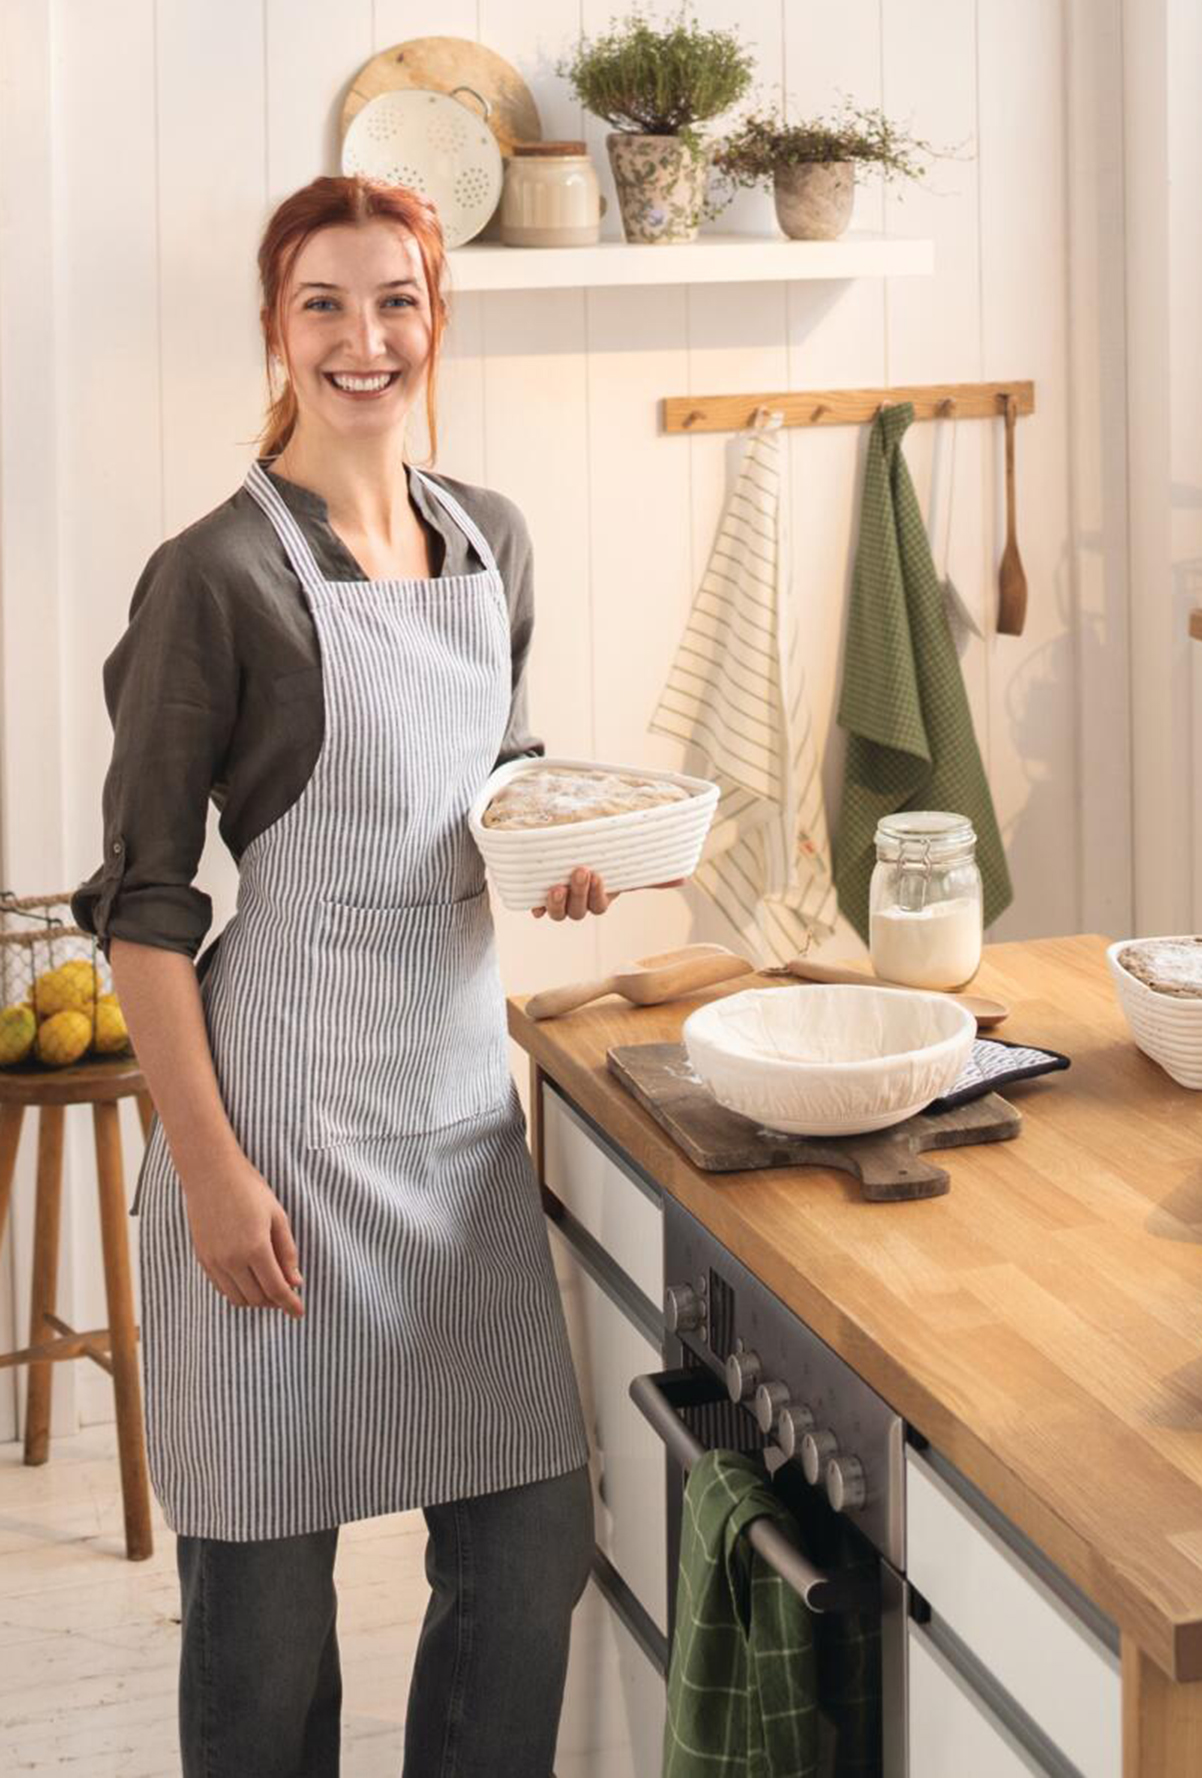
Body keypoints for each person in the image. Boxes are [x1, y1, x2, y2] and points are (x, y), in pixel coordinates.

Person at [72, 174, 661, 1776]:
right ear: (276, 331)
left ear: (434, 322)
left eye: (394, 299)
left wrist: (553, 848)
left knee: (527, 1553)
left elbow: (497, 777)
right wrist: (205, 1173)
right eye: (324, 303)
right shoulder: (213, 576)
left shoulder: (490, 538)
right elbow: (142, 903)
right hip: (281, 1133)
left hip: (460, 1122)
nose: (363, 336)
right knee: (264, 1619)